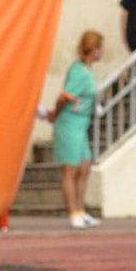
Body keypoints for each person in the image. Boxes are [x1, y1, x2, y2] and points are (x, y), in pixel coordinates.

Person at [43, 30, 102, 229]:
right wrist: (54, 115)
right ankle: (73, 212)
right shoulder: (78, 71)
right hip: (69, 123)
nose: (101, 52)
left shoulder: (87, 70)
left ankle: (81, 210)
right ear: (93, 49)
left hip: (81, 123)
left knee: (84, 167)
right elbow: (64, 96)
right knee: (71, 168)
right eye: (99, 48)